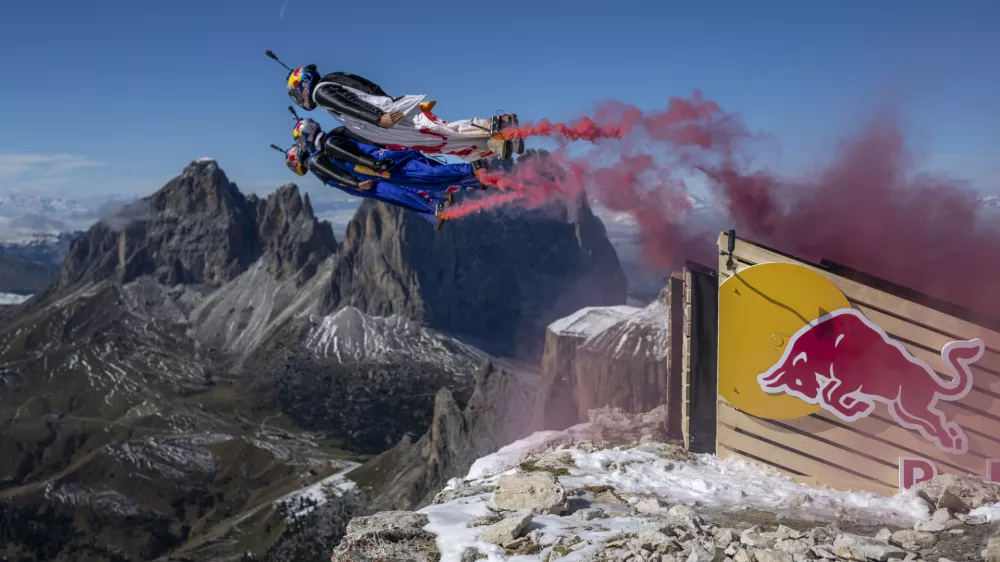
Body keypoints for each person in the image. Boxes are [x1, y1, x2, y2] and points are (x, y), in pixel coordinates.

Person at [266, 50, 524, 161]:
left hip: (388, 121)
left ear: (302, 86)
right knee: (437, 141)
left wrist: (378, 118)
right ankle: (493, 144)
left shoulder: (322, 92)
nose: (298, 99)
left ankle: (498, 126)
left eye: (296, 94)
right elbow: (370, 88)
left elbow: (348, 103)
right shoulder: (333, 79)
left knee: (439, 132)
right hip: (388, 121)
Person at [289, 108, 493, 193]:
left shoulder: (329, 145)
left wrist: (375, 165)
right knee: (425, 173)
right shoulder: (335, 134)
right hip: (384, 156)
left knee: (423, 175)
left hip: (382, 163)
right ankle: (472, 178)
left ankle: (473, 170)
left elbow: (354, 156)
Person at [273, 144, 453, 229]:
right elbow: (338, 175)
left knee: (398, 195)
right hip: (363, 181)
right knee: (400, 190)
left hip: (362, 183)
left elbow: (338, 176)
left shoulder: (315, 163)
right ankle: (435, 207)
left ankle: (434, 209)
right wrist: (358, 183)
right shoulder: (316, 160)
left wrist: (357, 184)